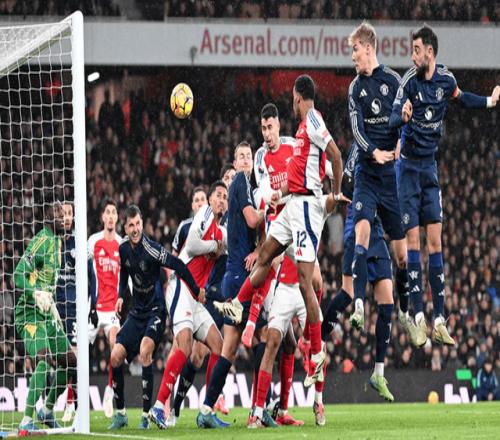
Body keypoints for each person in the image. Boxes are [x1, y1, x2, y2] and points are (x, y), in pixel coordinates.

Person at [216, 75, 347, 388]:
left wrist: (336, 193)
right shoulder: (300, 131)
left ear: (298, 96)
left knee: (306, 281)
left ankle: (316, 351)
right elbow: (299, 175)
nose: (292, 102)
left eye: (292, 98)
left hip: (307, 209)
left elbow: (335, 156)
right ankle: (239, 304)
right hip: (291, 205)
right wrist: (279, 192)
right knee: (265, 254)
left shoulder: (312, 120)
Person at [390, 25, 499, 345]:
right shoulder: (408, 82)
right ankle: (418, 316)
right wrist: (402, 117)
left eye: (417, 50)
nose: (412, 56)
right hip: (408, 170)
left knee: (436, 243)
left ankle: (439, 319)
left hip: (429, 169)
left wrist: (490, 102)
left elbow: (463, 99)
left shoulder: (446, 80)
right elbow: (393, 117)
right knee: (413, 243)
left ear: (430, 52)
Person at [345, 22, 412, 348]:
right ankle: (358, 304)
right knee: (361, 233)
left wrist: (400, 140)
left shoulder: (394, 81)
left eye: (355, 49)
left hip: (390, 182)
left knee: (402, 258)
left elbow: (405, 116)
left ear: (368, 47)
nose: (352, 56)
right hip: (367, 175)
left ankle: (405, 310)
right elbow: (356, 130)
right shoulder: (354, 88)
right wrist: (373, 151)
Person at [108, 205, 202, 430]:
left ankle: (145, 414)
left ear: (142, 223)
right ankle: (120, 414)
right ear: (125, 227)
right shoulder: (123, 249)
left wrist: (196, 289)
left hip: (156, 312)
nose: (135, 229)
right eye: (130, 225)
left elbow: (178, 264)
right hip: (136, 313)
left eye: (138, 224)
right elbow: (124, 274)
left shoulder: (152, 250)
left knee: (145, 351)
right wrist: (120, 295)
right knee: (115, 356)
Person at [249, 193, 337, 428]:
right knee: (272, 342)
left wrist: (339, 191)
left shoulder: (313, 206)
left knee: (319, 348)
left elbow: (331, 202)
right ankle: (258, 411)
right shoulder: (281, 211)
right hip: (285, 289)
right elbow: (267, 247)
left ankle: (318, 401)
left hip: (306, 290)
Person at [196, 141, 268, 429]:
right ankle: (260, 410)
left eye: (249, 156)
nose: (246, 160)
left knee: (228, 350)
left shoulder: (245, 187)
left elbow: (248, 228)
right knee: (263, 336)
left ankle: (206, 409)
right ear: (235, 163)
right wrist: (272, 210)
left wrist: (257, 248)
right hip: (240, 278)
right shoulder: (240, 182)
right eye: (241, 157)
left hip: (235, 275)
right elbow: (252, 220)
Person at [149, 181, 226, 429]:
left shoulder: (221, 231)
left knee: (219, 346)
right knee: (184, 344)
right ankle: (159, 407)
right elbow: (192, 246)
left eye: (225, 197)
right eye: (218, 195)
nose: (221, 200)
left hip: (196, 296)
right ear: (209, 200)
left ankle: (207, 409)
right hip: (181, 286)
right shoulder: (204, 214)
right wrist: (214, 246)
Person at [15, 197, 77, 432]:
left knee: (70, 362)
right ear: (49, 218)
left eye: (65, 213)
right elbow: (18, 275)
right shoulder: (41, 241)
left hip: (47, 313)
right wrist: (34, 293)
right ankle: (26, 419)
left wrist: (52, 306)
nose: (64, 217)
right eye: (59, 213)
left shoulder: (58, 243)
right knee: (43, 359)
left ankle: (47, 410)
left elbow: (47, 285)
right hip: (29, 314)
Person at [88, 197, 122, 417]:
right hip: (94, 307)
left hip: (112, 308)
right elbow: (85, 273)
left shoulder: (122, 244)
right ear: (102, 217)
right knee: (76, 354)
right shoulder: (93, 241)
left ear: (117, 217)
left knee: (115, 346)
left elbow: (126, 278)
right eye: (107, 212)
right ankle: (71, 402)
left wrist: (124, 302)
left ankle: (109, 391)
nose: (110, 216)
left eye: (113, 212)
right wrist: (89, 305)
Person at [55, 202, 77, 422]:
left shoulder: (77, 243)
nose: (67, 217)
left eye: (70, 213)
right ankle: (49, 401)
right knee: (55, 358)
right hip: (54, 308)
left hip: (73, 308)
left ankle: (71, 404)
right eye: (64, 214)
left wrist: (91, 306)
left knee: (74, 357)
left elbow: (90, 275)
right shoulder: (52, 242)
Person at [172, 187, 208, 256]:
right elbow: (175, 255)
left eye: (202, 199)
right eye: (197, 200)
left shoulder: (215, 226)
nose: (200, 204)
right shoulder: (184, 226)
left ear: (207, 203)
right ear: (192, 206)